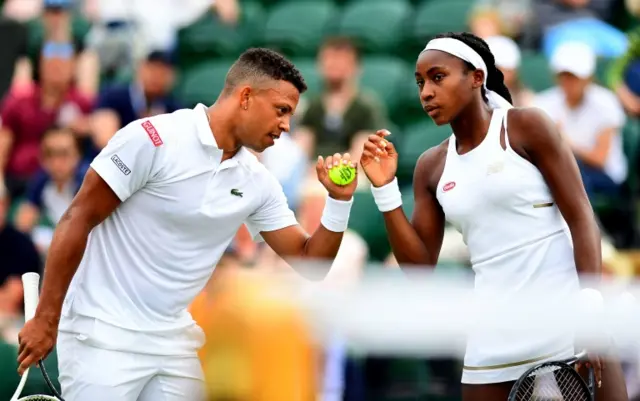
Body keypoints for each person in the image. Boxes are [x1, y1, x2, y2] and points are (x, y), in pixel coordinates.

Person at [16, 48, 358, 401]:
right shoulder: (152, 138)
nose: (286, 126)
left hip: (174, 344)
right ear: (245, 97)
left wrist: (339, 200)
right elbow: (77, 218)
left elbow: (310, 261)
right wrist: (46, 317)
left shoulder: (258, 181)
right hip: (100, 336)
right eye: (281, 110)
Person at [359, 31, 629, 401]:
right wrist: (384, 190)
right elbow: (418, 265)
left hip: (566, 316)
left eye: (438, 77)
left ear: (476, 77)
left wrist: (590, 308)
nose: (426, 92)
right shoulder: (431, 167)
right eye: (420, 82)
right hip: (493, 333)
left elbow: (582, 216)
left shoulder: (527, 126)